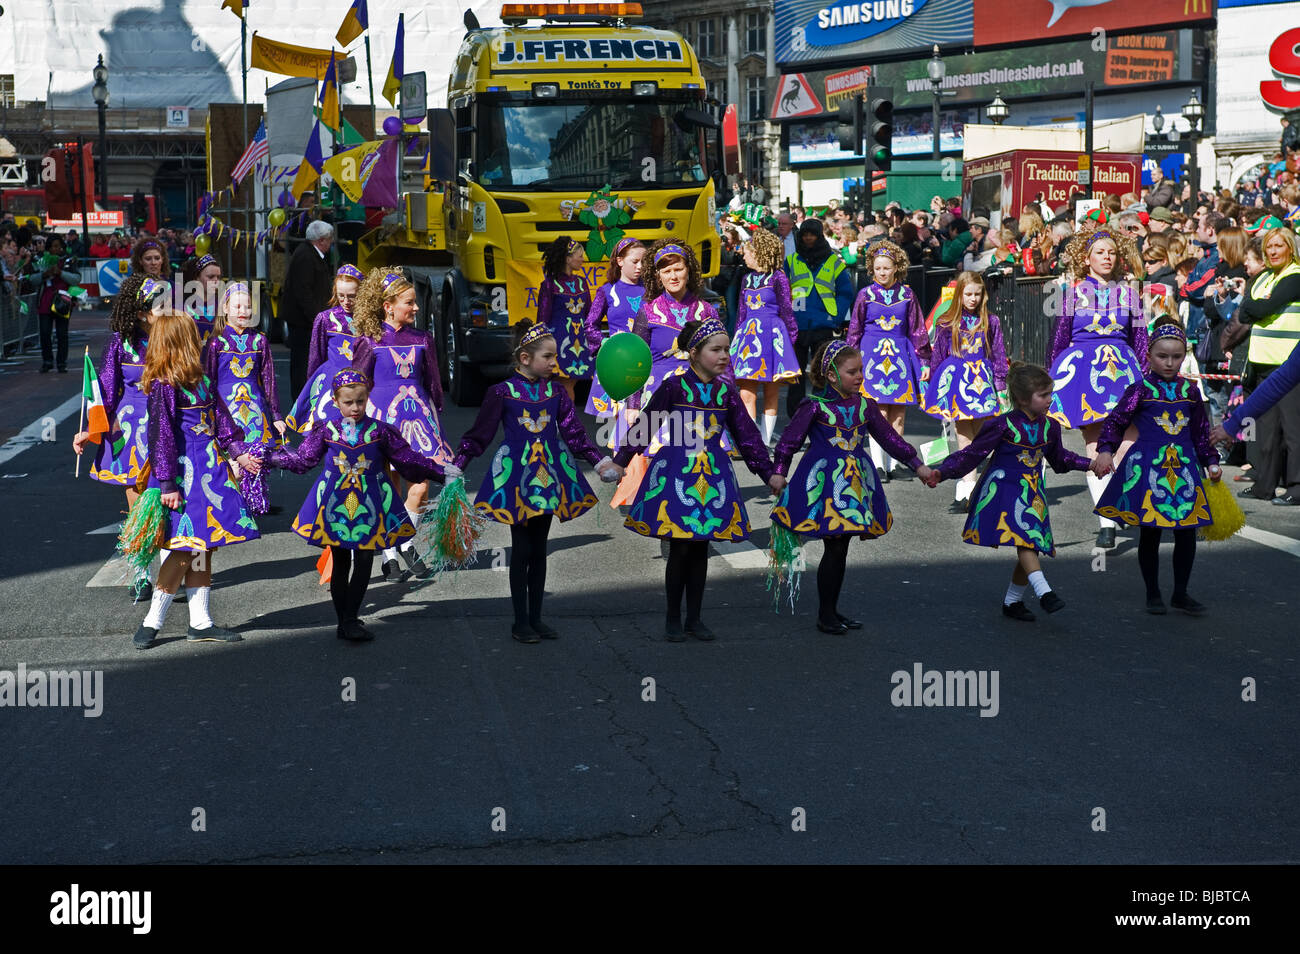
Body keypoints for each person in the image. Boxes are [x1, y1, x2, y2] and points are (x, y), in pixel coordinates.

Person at [613, 317, 784, 641]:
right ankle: (672, 619)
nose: (724, 356)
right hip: (677, 473)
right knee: (680, 549)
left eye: (726, 350)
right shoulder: (673, 387)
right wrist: (620, 462)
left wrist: (769, 473)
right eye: (715, 350)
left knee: (701, 547)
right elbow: (645, 427)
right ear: (694, 352)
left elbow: (747, 437)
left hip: (712, 474)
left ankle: (695, 618)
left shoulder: (726, 392)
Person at [449, 322, 622, 643]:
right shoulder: (501, 392)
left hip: (548, 477)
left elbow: (574, 432)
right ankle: (520, 621)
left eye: (555, 356)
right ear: (525, 358)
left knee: (539, 548)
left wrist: (599, 462)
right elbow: (480, 434)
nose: (554, 363)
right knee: (522, 548)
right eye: (548, 356)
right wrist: (457, 465)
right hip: (516, 479)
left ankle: (536, 617)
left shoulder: (555, 392)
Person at [262, 369, 446, 641]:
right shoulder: (326, 430)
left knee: (363, 560)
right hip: (336, 505)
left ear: (368, 398)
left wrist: (442, 472)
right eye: (348, 402)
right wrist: (265, 457)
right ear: (335, 402)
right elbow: (303, 460)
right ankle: (344, 620)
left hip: (370, 503)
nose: (355, 408)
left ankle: (350, 618)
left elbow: (407, 459)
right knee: (339, 561)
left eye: (360, 401)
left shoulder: (382, 431)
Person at [771, 340, 934, 634]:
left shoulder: (865, 406)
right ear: (832, 375)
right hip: (824, 486)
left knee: (841, 548)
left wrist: (917, 465)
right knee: (834, 547)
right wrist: (779, 472)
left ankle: (832, 610)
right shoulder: (813, 406)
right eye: (852, 371)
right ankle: (825, 614)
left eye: (861, 370)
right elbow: (788, 442)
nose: (860, 376)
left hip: (855, 484)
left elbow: (890, 439)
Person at [127, 311, 264, 649]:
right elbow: (162, 438)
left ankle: (200, 620)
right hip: (184, 477)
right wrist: (168, 484)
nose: (200, 341)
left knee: (205, 545)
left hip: (211, 471)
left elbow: (222, 420)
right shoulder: (165, 386)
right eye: (193, 337)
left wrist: (239, 451)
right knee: (183, 549)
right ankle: (153, 620)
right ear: (180, 343)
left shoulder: (201, 379)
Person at [928, 363, 1103, 621]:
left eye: (1049, 393)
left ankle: (1012, 602)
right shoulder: (1002, 424)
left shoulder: (1050, 427)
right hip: (1004, 490)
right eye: (1043, 395)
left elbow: (1059, 458)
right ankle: (1045, 592)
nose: (1049, 400)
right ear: (1022, 399)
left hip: (1033, 492)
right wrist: (943, 471)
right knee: (1027, 539)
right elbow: (972, 454)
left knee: (1029, 542)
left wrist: (1089, 463)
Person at [1093, 319, 1222, 615]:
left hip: (1185, 469)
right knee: (1150, 532)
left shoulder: (1190, 391)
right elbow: (1115, 422)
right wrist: (1104, 451)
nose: (1169, 362)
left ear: (1184, 355)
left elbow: (1201, 432)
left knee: (1186, 532)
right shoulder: (1140, 389)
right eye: (1163, 356)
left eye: (1177, 357)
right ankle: (1153, 592)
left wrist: (1211, 461)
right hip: (1149, 468)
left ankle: (1180, 593)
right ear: (1149, 355)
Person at [1046, 224, 1147, 548]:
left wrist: (1148, 379)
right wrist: (1052, 381)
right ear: (1087, 258)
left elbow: (1141, 340)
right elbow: (1059, 341)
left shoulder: (1130, 295)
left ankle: (1121, 502)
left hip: (1122, 375)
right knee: (1095, 447)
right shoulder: (1071, 294)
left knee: (1128, 444)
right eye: (1100, 252)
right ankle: (1106, 522)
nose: (1106, 257)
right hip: (1082, 375)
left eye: (1111, 252)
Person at [351, 267, 452, 580]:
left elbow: (433, 383)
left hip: (419, 419)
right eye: (410, 302)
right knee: (388, 487)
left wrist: (437, 420)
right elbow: (355, 384)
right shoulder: (370, 341)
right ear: (388, 306)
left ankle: (404, 541)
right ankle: (391, 555)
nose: (416, 307)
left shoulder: (424, 339)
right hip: (383, 419)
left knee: (420, 485)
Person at [72, 275, 168, 601]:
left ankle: (172, 570)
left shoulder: (173, 338)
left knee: (170, 500)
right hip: (128, 431)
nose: (166, 310)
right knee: (137, 502)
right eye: (159, 305)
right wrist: (91, 430)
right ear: (141, 311)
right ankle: (141, 572)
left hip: (166, 425)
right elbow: (106, 391)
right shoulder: (120, 342)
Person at [922, 271, 1008, 509]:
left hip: (983, 382)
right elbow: (939, 356)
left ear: (983, 295)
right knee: (963, 434)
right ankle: (967, 488)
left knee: (983, 436)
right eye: (968, 294)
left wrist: (1000, 385)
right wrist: (936, 390)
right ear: (959, 295)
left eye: (977, 294)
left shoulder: (991, 321)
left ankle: (981, 486)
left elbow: (998, 354)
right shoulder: (946, 322)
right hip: (956, 382)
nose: (973, 299)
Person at [846, 239, 929, 478]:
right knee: (878, 412)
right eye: (878, 268)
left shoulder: (907, 294)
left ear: (896, 268)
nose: (882, 272)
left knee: (898, 414)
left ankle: (894, 463)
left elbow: (918, 330)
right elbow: (855, 329)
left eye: (887, 268)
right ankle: (878, 464)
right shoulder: (865, 294)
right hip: (871, 357)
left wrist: (923, 361)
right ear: (872, 269)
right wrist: (849, 361)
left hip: (900, 357)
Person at [1233, 226, 1300, 504]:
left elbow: (1257, 310)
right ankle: (1265, 484)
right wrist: (1254, 306)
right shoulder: (1262, 278)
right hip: (1261, 364)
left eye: (1278, 246)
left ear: (1290, 249)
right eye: (1268, 247)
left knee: (1294, 429)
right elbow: (1245, 309)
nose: (1272, 252)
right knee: (1266, 430)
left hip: (1287, 365)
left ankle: (1297, 486)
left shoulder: (1294, 276)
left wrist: (1256, 307)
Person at [729, 228, 800, 446]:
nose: (744, 255)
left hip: (773, 337)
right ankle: (752, 443)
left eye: (748, 252)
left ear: (760, 253)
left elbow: (787, 311)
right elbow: (741, 312)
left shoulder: (779, 277)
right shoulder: (746, 279)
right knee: (746, 393)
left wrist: (790, 342)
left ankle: (766, 440)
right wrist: (735, 339)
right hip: (749, 338)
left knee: (771, 392)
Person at [202, 281, 284, 454]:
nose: (243, 311)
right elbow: (208, 381)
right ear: (225, 309)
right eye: (237, 306)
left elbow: (269, 381)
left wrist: (276, 415)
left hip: (255, 408)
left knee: (257, 461)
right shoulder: (217, 342)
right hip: (225, 410)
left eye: (247, 307)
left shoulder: (259, 341)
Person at [785, 218, 853, 417]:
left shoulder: (834, 262)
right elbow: (783, 292)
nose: (808, 238)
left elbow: (845, 293)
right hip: (797, 325)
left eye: (812, 234)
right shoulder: (790, 261)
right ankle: (795, 417)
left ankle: (820, 414)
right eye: (805, 234)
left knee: (821, 375)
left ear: (819, 235)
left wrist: (835, 317)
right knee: (794, 376)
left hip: (824, 324)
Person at [286, 264, 365, 433]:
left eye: (352, 296)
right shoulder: (325, 319)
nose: (346, 301)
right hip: (330, 383)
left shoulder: (368, 321)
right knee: (328, 431)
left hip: (360, 384)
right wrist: (313, 388)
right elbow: (316, 357)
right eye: (341, 296)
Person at [583, 237, 645, 438]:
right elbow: (590, 325)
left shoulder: (652, 290)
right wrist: (605, 342)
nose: (640, 267)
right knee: (622, 428)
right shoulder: (607, 290)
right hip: (617, 363)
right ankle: (622, 468)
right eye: (634, 262)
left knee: (647, 425)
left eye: (643, 262)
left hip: (647, 362)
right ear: (620, 261)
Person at [280, 220, 335, 399]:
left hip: (306, 320)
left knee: (306, 363)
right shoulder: (306, 256)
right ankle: (300, 402)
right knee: (301, 364)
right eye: (329, 238)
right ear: (321, 240)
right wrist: (317, 318)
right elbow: (303, 292)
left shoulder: (311, 254)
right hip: (303, 322)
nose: (331, 242)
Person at [536, 237, 592, 404]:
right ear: (568, 259)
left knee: (568, 386)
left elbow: (589, 314)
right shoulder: (549, 284)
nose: (583, 259)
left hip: (580, 342)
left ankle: (563, 423)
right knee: (564, 386)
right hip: (558, 343)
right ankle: (566, 424)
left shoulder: (582, 283)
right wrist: (540, 346)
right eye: (580, 256)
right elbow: (542, 318)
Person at [36, 237, 79, 373]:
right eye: (53, 246)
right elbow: (32, 279)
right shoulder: (42, 260)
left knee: (62, 333)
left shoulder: (68, 260)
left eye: (58, 246)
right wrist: (44, 275)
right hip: (45, 300)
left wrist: (60, 273)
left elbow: (76, 278)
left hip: (62, 300)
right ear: (48, 248)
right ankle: (47, 361)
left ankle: (61, 362)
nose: (56, 249)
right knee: (44, 332)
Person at [182, 254, 222, 346]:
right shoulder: (183, 306)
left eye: (218, 277)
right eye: (211, 277)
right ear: (196, 277)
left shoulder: (223, 306)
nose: (216, 281)